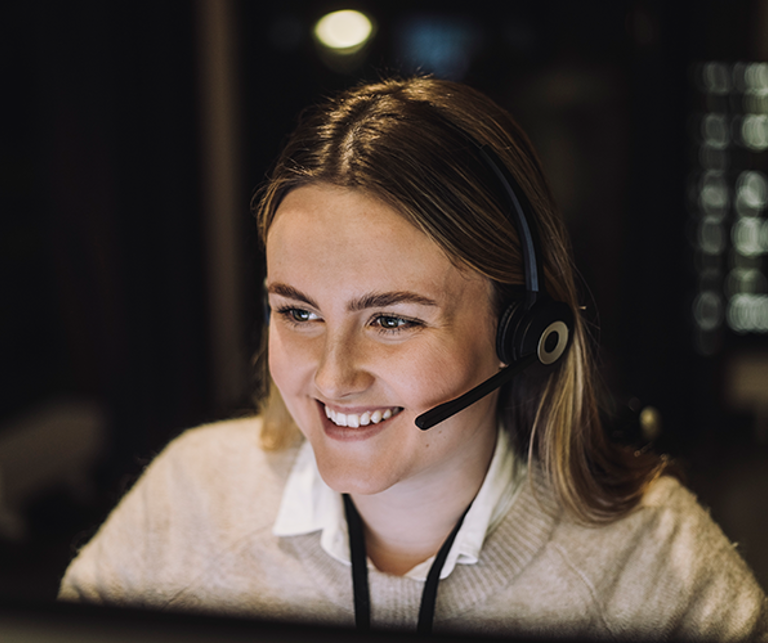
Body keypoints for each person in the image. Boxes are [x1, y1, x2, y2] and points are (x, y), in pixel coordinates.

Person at [59, 76, 767, 640]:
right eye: (298, 311)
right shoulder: (187, 502)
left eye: (392, 319)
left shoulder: (655, 572)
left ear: (524, 332)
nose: (333, 374)